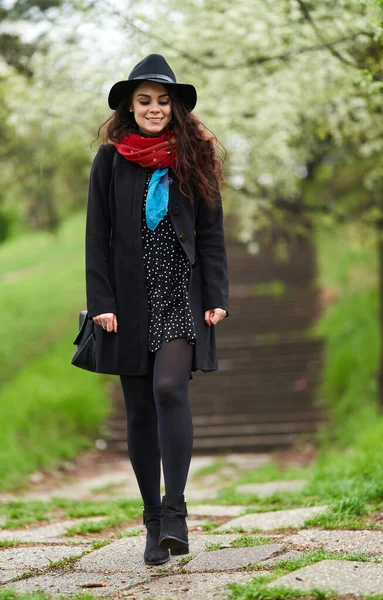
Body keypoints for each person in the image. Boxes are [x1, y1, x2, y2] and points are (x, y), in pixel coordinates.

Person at [85, 54, 229, 566]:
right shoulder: (111, 160)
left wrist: (217, 295)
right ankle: (152, 522)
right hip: (126, 304)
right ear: (129, 105)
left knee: (169, 388)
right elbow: (96, 238)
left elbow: (211, 232)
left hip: (180, 296)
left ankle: (176, 511)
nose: (154, 108)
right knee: (139, 409)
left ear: (176, 107)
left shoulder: (197, 156)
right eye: (144, 100)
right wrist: (100, 301)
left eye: (163, 101)